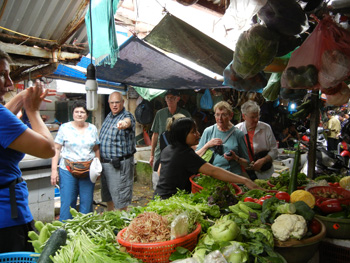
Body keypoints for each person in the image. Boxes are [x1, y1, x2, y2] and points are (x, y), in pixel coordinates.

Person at [0, 49, 55, 253]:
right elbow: (48, 149)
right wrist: (33, 111)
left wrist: (23, 98)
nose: (9, 83)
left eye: (8, 75)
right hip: (7, 220)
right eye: (2, 75)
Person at [154, 117, 262, 199]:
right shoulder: (184, 154)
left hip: (159, 196)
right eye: (193, 132)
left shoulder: (169, 149)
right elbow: (213, 171)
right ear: (182, 135)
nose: (198, 134)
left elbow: (161, 172)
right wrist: (245, 180)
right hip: (170, 199)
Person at [50, 100, 100, 221]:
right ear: (72, 113)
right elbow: (56, 149)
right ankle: (65, 232)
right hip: (67, 169)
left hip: (88, 170)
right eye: (76, 111)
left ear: (87, 115)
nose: (79, 114)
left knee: (87, 203)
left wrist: (98, 167)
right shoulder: (64, 128)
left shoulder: (92, 129)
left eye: (82, 112)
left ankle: (84, 231)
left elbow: (96, 148)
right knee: (67, 202)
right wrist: (53, 170)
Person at [99, 91, 136, 211]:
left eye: (117, 102)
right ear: (109, 103)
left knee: (120, 198)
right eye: (112, 103)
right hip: (105, 164)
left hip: (119, 166)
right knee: (108, 196)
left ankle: (121, 224)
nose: (114, 105)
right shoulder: (109, 116)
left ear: (123, 102)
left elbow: (127, 122)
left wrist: (123, 124)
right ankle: (111, 220)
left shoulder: (127, 115)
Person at [149, 89, 191, 190]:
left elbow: (189, 134)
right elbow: (155, 134)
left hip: (178, 154)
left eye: (172, 98)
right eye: (168, 98)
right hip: (160, 153)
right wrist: (151, 155)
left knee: (175, 182)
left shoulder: (185, 114)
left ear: (178, 99)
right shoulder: (160, 114)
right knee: (158, 182)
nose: (170, 100)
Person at [196, 101, 249, 175]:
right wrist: (207, 145)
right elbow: (196, 156)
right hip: (212, 175)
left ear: (231, 116)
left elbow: (247, 163)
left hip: (233, 175)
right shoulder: (209, 131)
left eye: (223, 115)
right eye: (217, 115)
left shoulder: (238, 134)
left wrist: (235, 158)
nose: (220, 118)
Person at [236, 100, 278, 180]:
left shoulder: (266, 128)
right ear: (244, 116)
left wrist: (263, 160)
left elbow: (274, 150)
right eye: (252, 117)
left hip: (264, 173)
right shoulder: (237, 130)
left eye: (257, 116)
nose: (256, 120)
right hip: (244, 174)